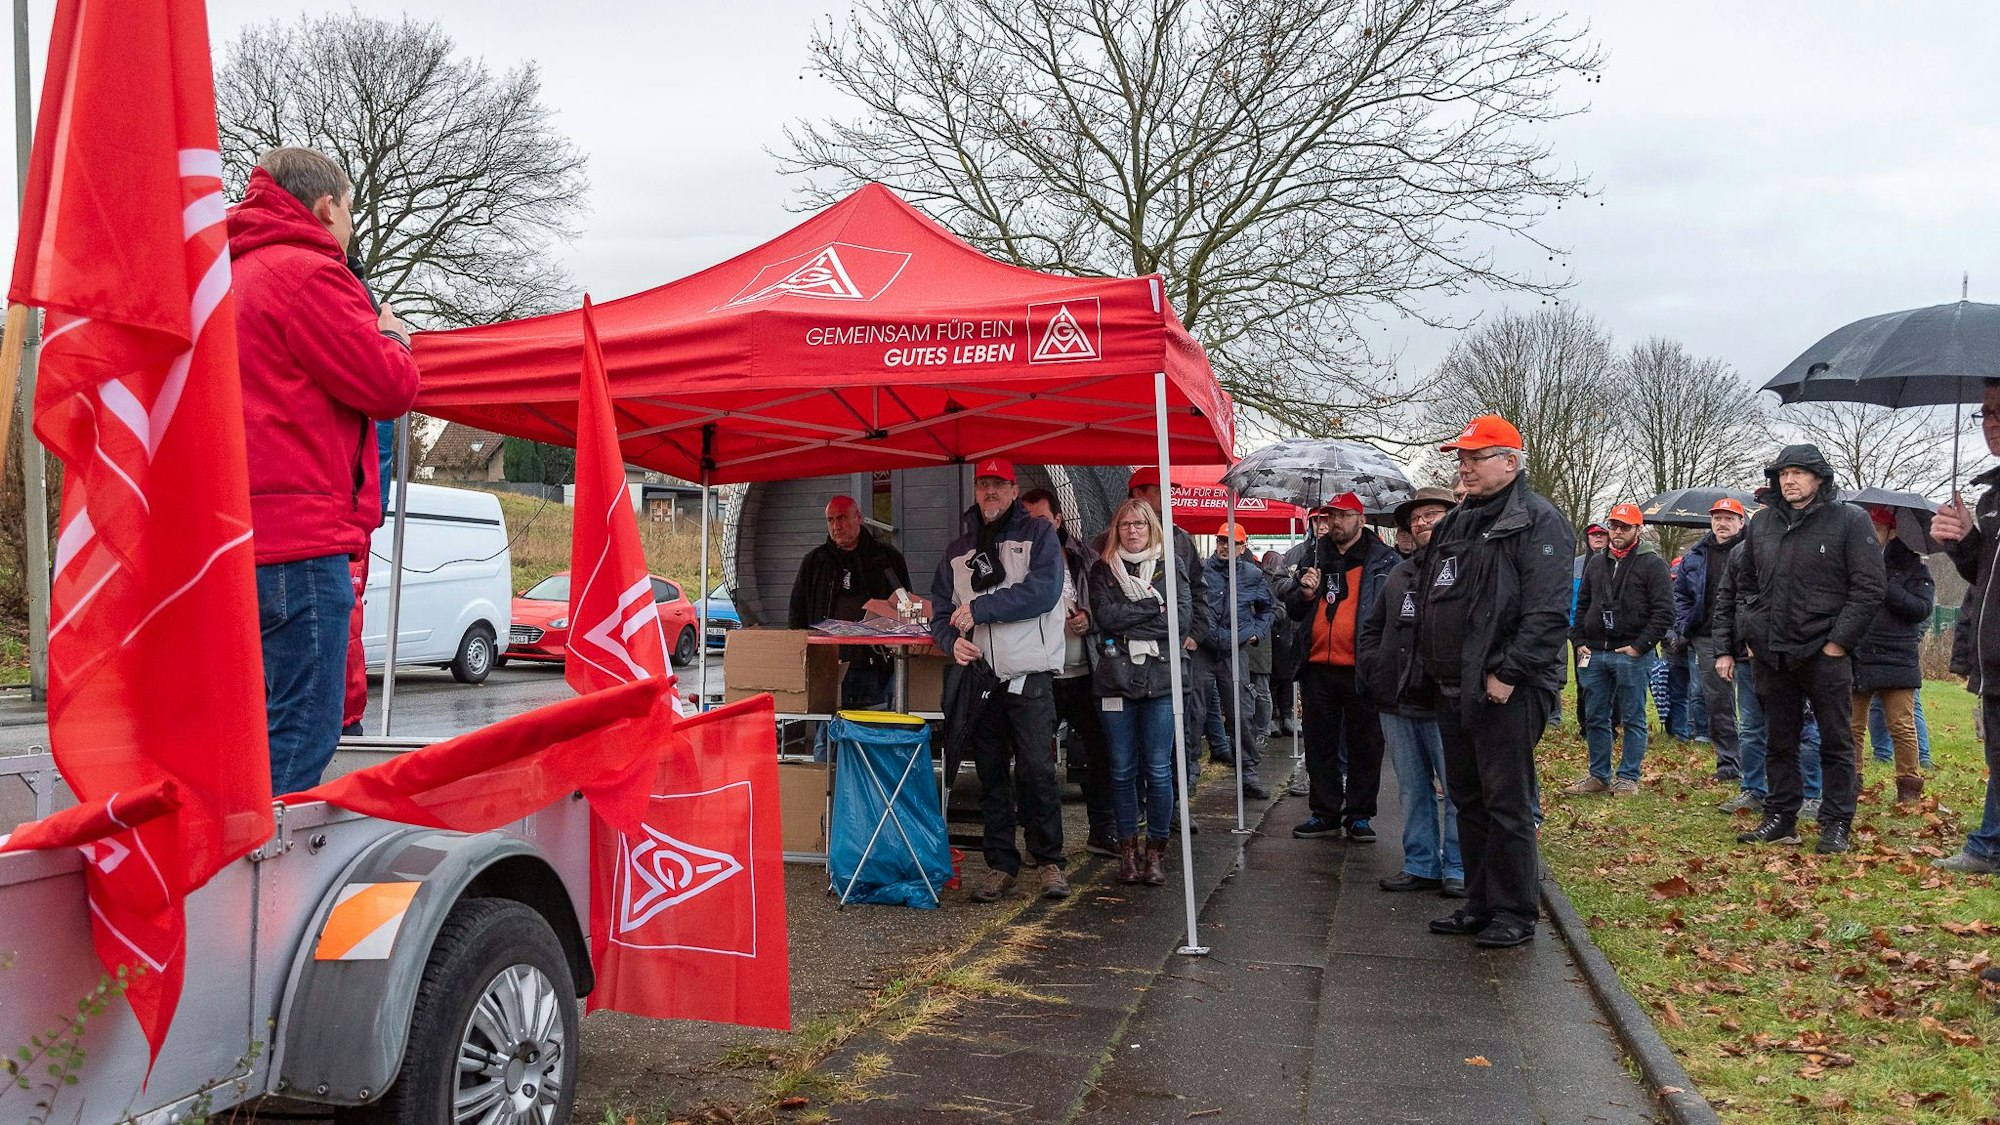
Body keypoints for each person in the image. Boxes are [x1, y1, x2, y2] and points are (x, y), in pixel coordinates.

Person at [229, 147, 420, 794]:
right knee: (305, 731)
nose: (351, 231)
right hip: (302, 542)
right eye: (350, 212)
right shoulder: (311, 275)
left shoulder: (231, 275)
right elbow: (387, 385)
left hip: (236, 538)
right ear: (325, 206)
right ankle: (261, 886)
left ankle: (222, 876)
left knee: (251, 729)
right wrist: (392, 335)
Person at [1416, 416, 1572, 948]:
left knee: (1507, 803)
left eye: (1475, 458)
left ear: (1510, 461)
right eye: (1460, 457)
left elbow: (1548, 613)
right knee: (1468, 799)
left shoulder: (1539, 522)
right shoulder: (1456, 521)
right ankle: (1479, 903)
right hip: (1453, 686)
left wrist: (1509, 672)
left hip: (1507, 689)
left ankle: (1514, 911)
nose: (1463, 466)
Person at [1713, 445, 1884, 855]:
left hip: (1825, 653)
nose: (1789, 480)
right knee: (1779, 740)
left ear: (1819, 478)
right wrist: (1751, 634)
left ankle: (1835, 823)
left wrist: (1837, 643)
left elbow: (1869, 588)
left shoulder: (1849, 520)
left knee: (1836, 741)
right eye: (1783, 473)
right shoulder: (1763, 523)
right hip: (1772, 653)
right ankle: (1780, 818)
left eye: (1799, 473)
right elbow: (1744, 582)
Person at [930, 459, 1071, 901]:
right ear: (975, 491)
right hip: (980, 677)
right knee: (990, 772)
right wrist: (950, 641)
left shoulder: (1040, 535)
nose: (990, 492)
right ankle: (999, 864)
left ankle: (1048, 861)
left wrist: (982, 610)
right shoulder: (958, 549)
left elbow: (1043, 592)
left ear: (1014, 490)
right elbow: (939, 609)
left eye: (998, 485)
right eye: (983, 485)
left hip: (1028, 672)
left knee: (1036, 770)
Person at [1357, 486, 1465, 897]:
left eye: (1431, 514)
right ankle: (1421, 862)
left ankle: (1457, 866)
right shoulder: (1400, 572)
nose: (1421, 523)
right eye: (1415, 518)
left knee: (1456, 791)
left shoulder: (1466, 566)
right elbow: (1372, 627)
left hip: (1445, 702)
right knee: (1412, 789)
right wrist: (1375, 668)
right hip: (1397, 701)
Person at [1278, 492, 1400, 842]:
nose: (1335, 522)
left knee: (1365, 744)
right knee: (1320, 744)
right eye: (1331, 515)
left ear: (1361, 519)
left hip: (1361, 666)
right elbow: (1294, 611)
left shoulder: (1383, 561)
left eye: (1344, 516)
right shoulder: (1313, 556)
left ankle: (1360, 814)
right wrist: (1302, 592)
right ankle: (1325, 811)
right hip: (1318, 666)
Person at [1088, 499, 1195, 885]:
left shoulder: (1172, 566)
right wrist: (1154, 609)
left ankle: (1156, 853)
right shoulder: (1103, 570)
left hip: (1162, 681)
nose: (1132, 531)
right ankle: (1128, 854)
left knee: (1158, 769)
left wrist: (1133, 623)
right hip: (1115, 681)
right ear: (1116, 530)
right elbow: (1106, 618)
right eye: (1125, 525)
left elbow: (1179, 623)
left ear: (1152, 529)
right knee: (1120, 770)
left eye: (1140, 524)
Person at [1021, 487, 1118, 856]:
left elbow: (1102, 600)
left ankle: (1102, 830)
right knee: (1035, 763)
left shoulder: (1082, 556)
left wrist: (1088, 618)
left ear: (1058, 520)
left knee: (1101, 751)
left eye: (1042, 520)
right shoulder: (1016, 558)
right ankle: (1040, 844)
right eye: (1028, 520)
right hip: (1040, 673)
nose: (1036, 527)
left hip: (1084, 670)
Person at [1932, 404, 2000, 873]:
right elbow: (1985, 577)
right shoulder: (1991, 498)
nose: (1992, 424)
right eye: (1987, 412)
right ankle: (1990, 845)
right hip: (1993, 653)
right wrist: (1963, 542)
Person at [1565, 504, 1673, 796]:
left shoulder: (1653, 564)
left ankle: (1628, 777)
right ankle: (1598, 775)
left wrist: (1640, 646)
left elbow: (1664, 612)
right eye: (1614, 526)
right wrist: (1578, 639)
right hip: (1595, 651)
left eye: (1625, 526)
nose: (1617, 532)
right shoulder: (1597, 562)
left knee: (1633, 716)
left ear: (1638, 529)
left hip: (1630, 652)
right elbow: (1582, 603)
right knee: (1595, 716)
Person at [1118, 468, 1211, 792]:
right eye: (1161, 491)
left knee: (1178, 731)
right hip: (1126, 661)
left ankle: (1176, 805)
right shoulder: (1112, 542)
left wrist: (1194, 635)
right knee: (1130, 742)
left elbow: (1200, 593)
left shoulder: (1179, 539)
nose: (1168, 498)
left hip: (1173, 657)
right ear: (1137, 495)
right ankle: (1140, 805)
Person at [789, 496, 913, 738]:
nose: (836, 525)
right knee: (828, 743)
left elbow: (906, 610)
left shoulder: (887, 559)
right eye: (830, 520)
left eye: (842, 518)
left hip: (877, 668)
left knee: (875, 739)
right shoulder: (815, 562)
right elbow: (797, 616)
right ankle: (827, 778)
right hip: (828, 669)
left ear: (859, 518)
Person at [1847, 506, 1934, 807]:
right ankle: (1851, 783)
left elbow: (1921, 609)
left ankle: (1909, 787)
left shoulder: (1915, 569)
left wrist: (1886, 585)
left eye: (1877, 526)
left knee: (1901, 724)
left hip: (1897, 656)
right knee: (1852, 725)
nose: (1871, 532)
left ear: (1892, 531)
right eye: (1867, 526)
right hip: (1858, 653)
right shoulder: (1852, 564)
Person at [1675, 497, 1750, 781]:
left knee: (1758, 703)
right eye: (1717, 518)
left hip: (1749, 635)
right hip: (1707, 637)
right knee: (1718, 703)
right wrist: (1684, 622)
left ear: (1741, 522)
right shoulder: (1695, 554)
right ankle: (1729, 763)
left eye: (1729, 518)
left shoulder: (1755, 550)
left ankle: (1760, 763)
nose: (1722, 523)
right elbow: (1679, 593)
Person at [1200, 526, 1276, 797]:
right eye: (1221, 540)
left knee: (1242, 713)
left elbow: (1270, 609)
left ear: (1243, 547)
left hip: (1235, 650)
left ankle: (1248, 774)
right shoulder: (1201, 569)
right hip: (1203, 649)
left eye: (1233, 543)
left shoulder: (1253, 575)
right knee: (1194, 714)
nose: (1225, 546)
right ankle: (1187, 777)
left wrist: (1256, 632)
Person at [1263, 548, 1299, 736]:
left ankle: (1283, 717)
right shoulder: (1265, 581)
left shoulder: (1280, 580)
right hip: (1275, 636)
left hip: (1285, 636)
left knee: (1285, 679)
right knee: (1277, 680)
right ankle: (1278, 717)